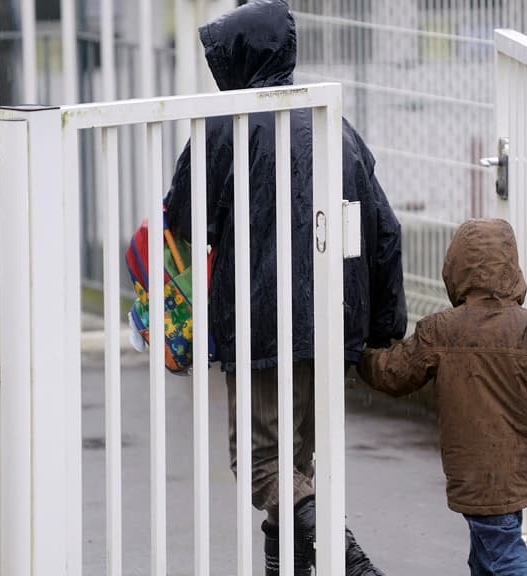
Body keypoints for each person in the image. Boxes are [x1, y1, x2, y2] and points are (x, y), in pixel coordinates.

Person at [164, 1, 406, 574]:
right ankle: (289, 567)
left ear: (238, 59)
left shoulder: (226, 124)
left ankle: (345, 555)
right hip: (332, 319)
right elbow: (384, 229)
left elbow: (182, 220)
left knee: (260, 463)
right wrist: (380, 330)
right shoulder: (333, 123)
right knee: (296, 459)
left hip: (261, 322)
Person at [358, 219, 527, 576]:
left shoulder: (441, 330)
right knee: (487, 550)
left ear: (454, 268)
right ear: (512, 267)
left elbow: (393, 373)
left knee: (501, 555)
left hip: (473, 470)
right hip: (519, 467)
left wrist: (358, 353)